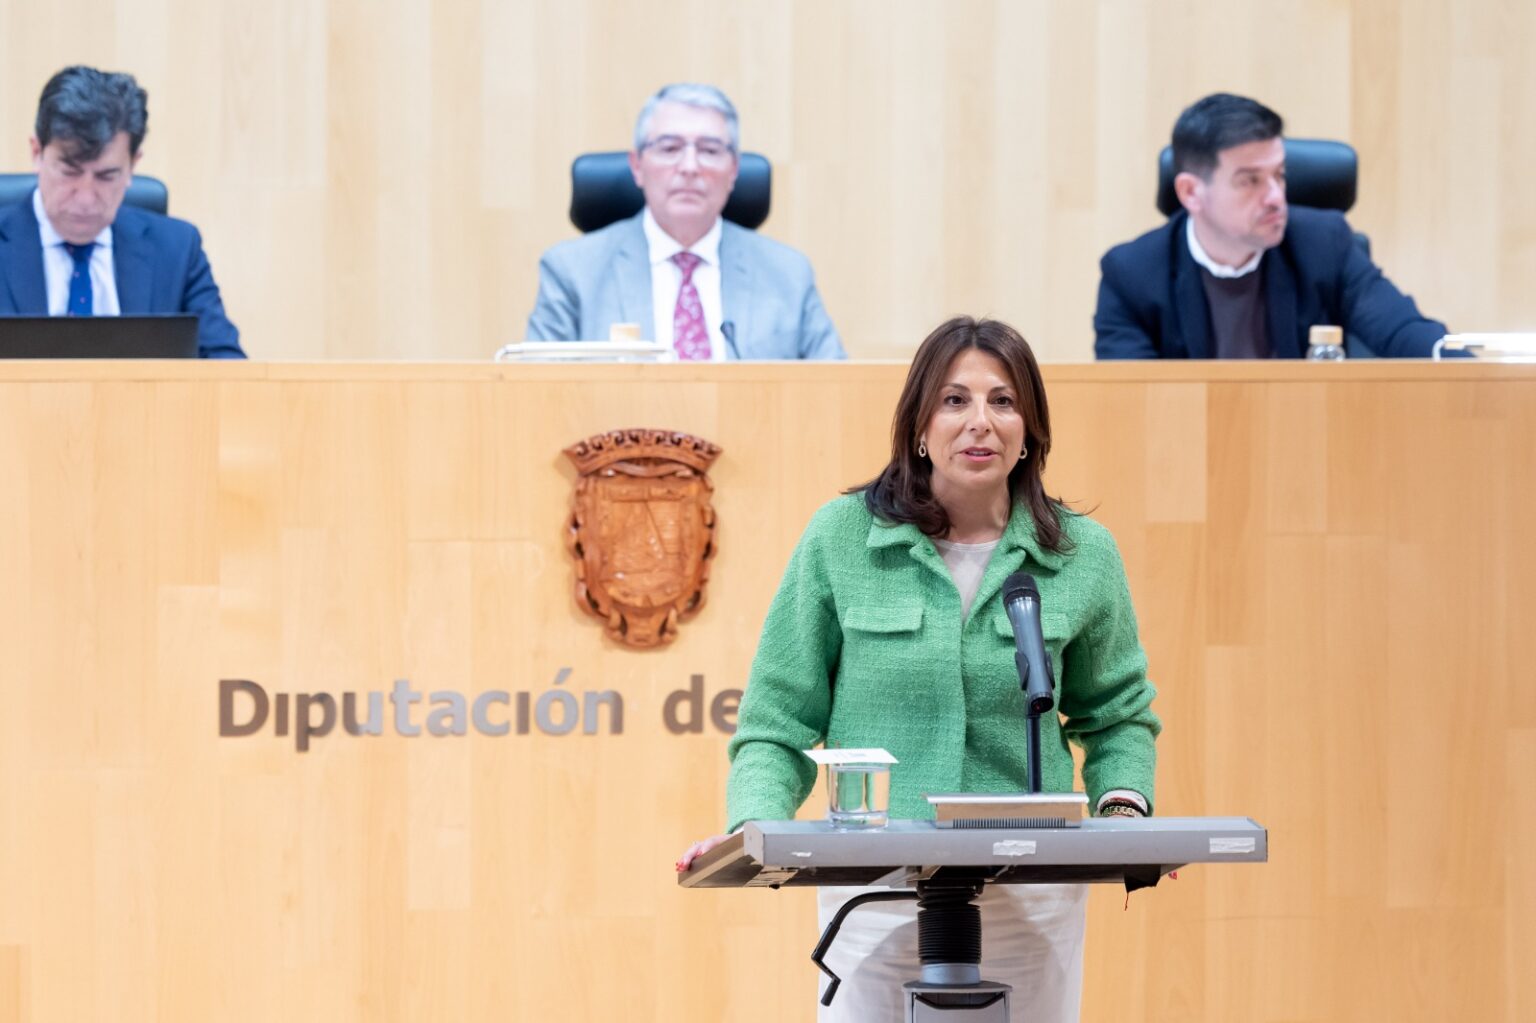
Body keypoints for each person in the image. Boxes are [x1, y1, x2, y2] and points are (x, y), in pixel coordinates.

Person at [678, 316, 1160, 1021]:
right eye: (954, 400)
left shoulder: (1083, 554)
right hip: (876, 893)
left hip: (1031, 896)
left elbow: (1117, 715)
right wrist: (756, 827)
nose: (980, 423)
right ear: (918, 425)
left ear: (1031, 428)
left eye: (1003, 401)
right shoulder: (840, 538)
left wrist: (1124, 809)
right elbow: (776, 720)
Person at [1094, 92, 1446, 359]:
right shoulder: (1131, 274)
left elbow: (1405, 332)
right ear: (1190, 192)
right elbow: (1130, 401)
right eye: (1250, 181)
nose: (1276, 197)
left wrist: (1477, 373)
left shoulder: (1324, 244)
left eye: (1280, 175)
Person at [525, 83, 844, 359]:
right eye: (670, 148)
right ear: (637, 166)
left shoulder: (787, 274)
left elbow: (837, 394)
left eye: (709, 149)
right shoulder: (573, 271)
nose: (690, 166)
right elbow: (535, 393)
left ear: (733, 170)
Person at [0, 66, 244, 359]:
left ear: (132, 164)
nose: (86, 199)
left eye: (106, 176)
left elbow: (228, 370)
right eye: (69, 172)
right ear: (36, 152)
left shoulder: (177, 250)